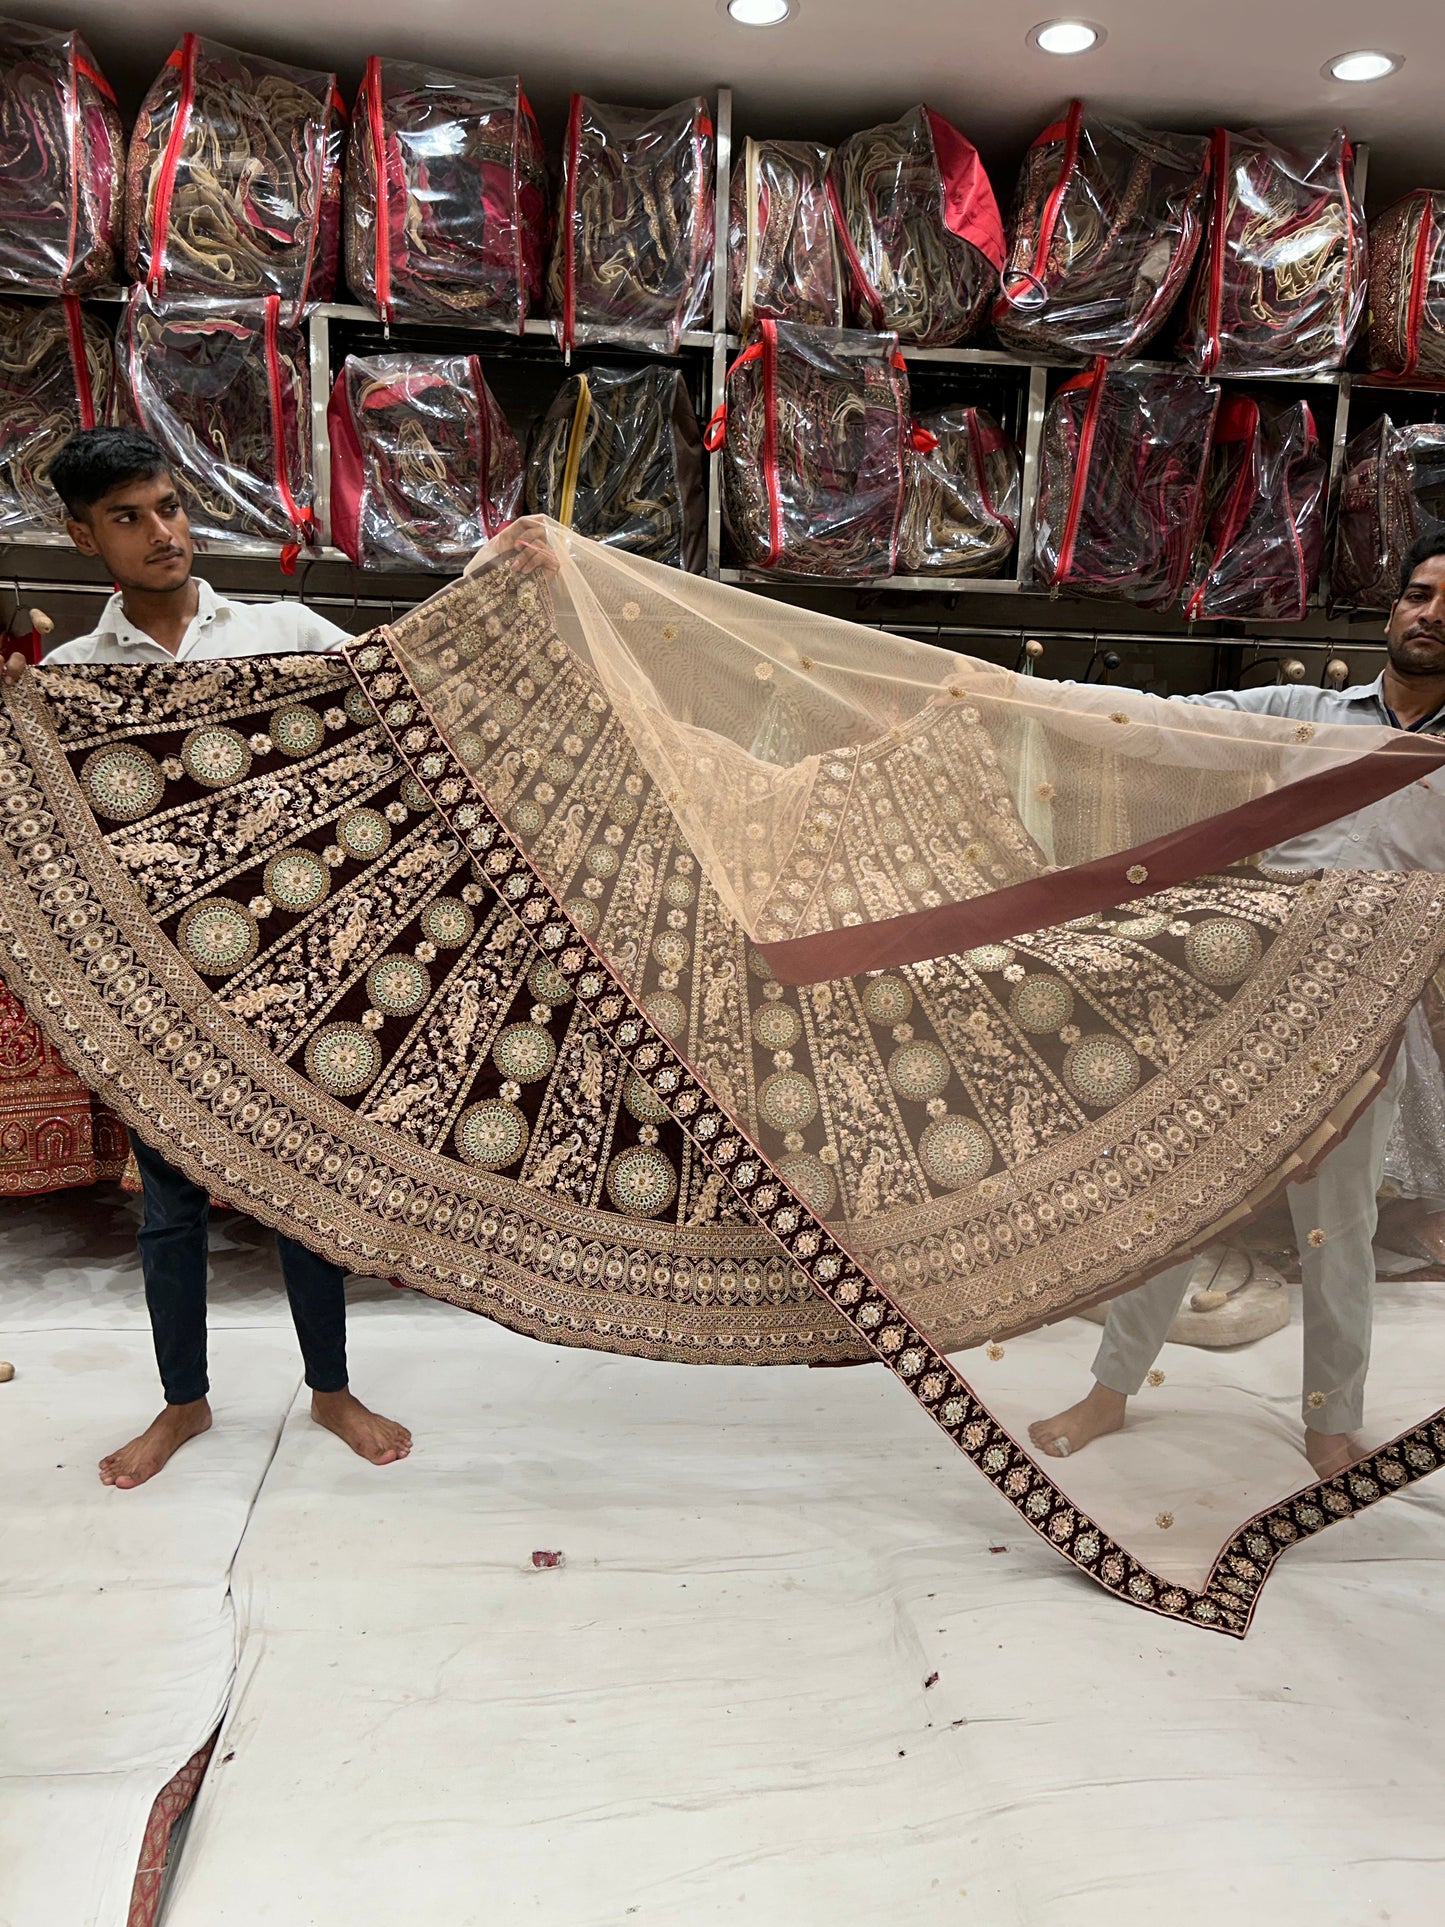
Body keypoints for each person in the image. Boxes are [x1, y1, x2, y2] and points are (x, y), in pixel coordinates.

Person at [4, 427, 413, 1486]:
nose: (162, 533)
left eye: (171, 507)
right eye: (129, 518)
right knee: (172, 1206)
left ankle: (330, 1387)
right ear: (82, 534)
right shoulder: (76, 676)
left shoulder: (281, 629)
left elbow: (404, 702)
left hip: (291, 975)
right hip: (160, 991)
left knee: (306, 1187)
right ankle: (182, 1405)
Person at [1030, 530, 1445, 1481]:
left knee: (1338, 1233)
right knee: (1182, 1204)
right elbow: (1172, 721)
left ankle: (1328, 1427)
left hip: (1365, 1028)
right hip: (1248, 1005)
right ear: (1390, 608)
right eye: (1417, 594)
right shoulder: (1304, 711)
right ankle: (1108, 1392)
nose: (1428, 615)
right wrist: (1039, 698)